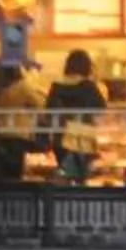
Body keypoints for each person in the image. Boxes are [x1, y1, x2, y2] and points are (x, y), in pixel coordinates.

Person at [45, 49, 107, 186]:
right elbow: (101, 109)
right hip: (82, 139)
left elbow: (48, 113)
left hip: (60, 139)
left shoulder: (56, 87)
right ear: (87, 67)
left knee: (65, 176)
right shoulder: (89, 87)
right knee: (80, 178)